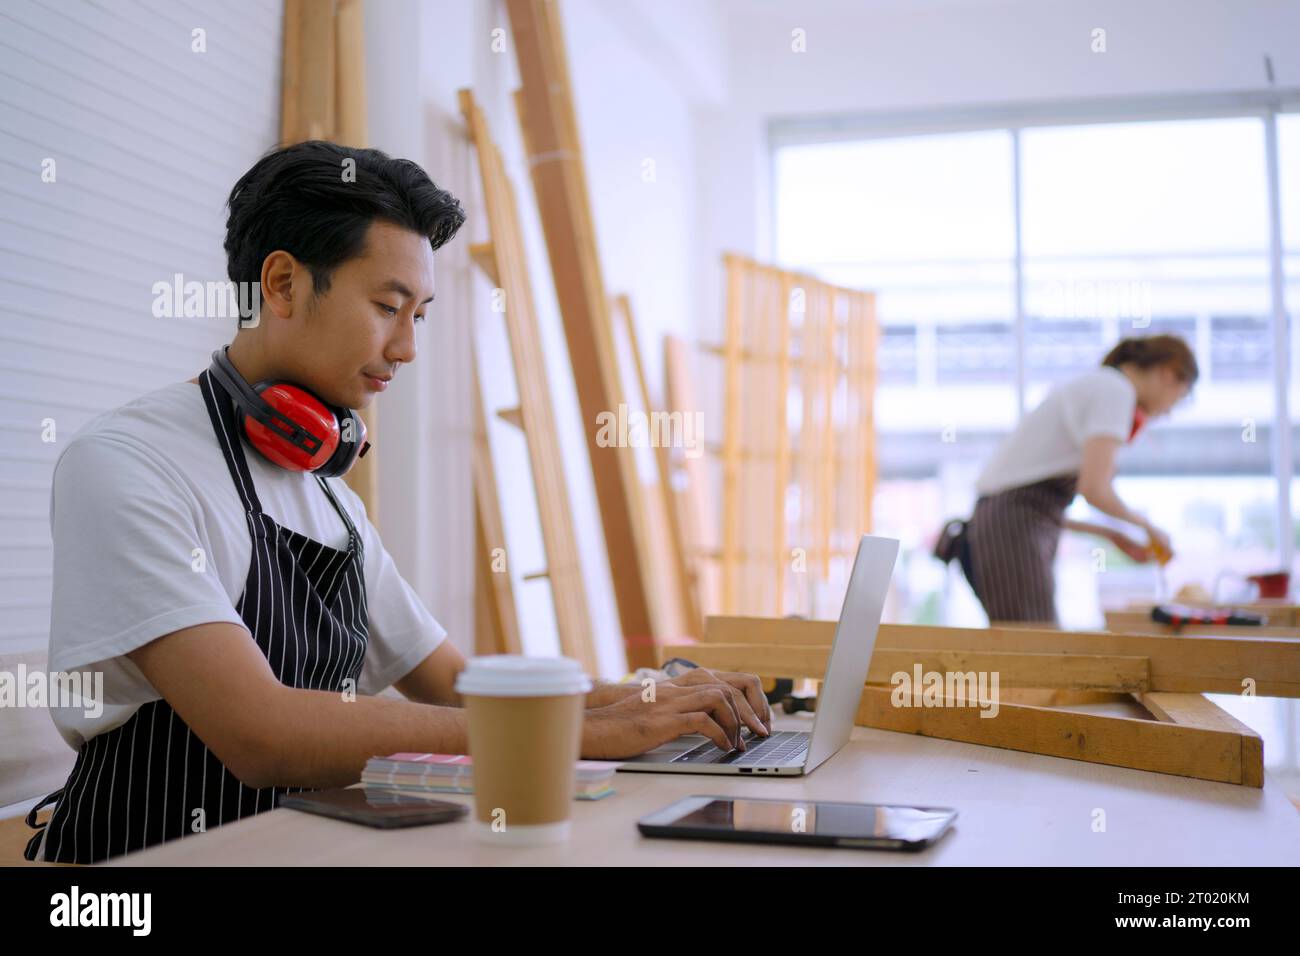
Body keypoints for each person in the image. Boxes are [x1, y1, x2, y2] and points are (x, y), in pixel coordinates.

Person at [26, 141, 770, 864]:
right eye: (389, 306)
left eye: (421, 315)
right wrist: (592, 734)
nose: (408, 347)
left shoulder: (329, 498)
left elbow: (455, 686)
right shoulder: (127, 463)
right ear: (282, 285)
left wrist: (654, 701)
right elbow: (262, 733)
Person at [935, 334, 1197, 625]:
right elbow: (1094, 489)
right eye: (1179, 398)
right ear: (1169, 373)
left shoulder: (1101, 385)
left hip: (1003, 524)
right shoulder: (1116, 390)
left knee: (1030, 640)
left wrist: (1112, 534)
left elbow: (1040, 507)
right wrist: (1148, 528)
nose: (1169, 411)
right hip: (1010, 527)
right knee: (1033, 645)